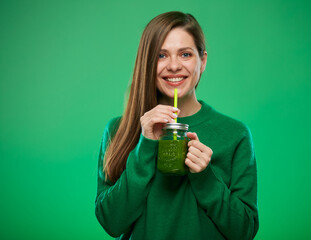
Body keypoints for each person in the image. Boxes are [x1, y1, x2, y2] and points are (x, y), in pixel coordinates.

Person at [95, 11, 259, 240]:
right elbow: (111, 222)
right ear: (147, 63)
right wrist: (145, 147)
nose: (173, 66)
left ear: (202, 61)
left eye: (185, 54)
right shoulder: (118, 130)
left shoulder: (235, 134)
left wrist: (206, 177)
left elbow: (244, 231)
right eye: (161, 55)